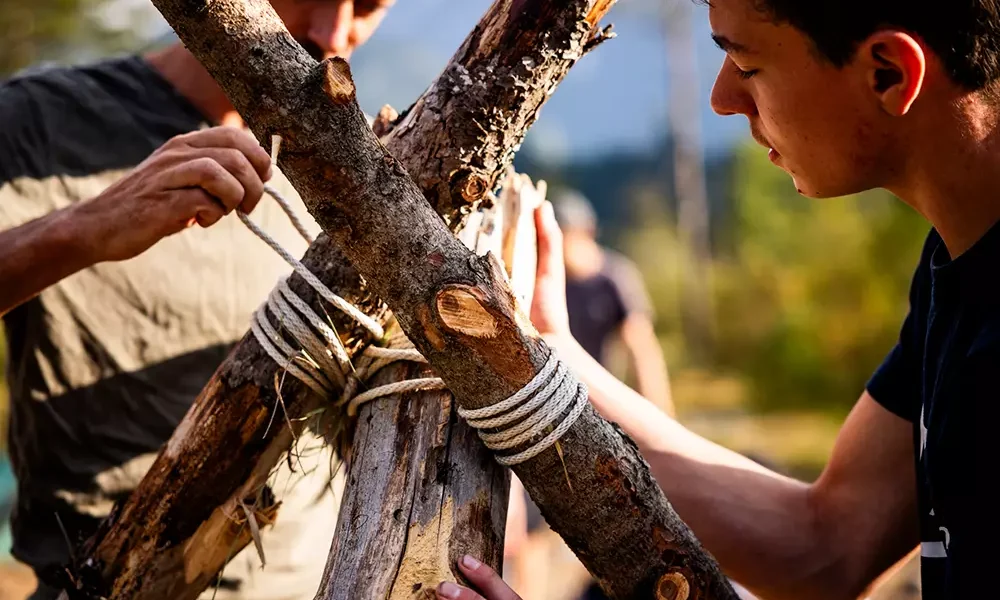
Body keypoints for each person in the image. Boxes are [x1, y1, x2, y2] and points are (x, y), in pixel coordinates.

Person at [439, 0, 1000, 598]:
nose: (722, 97)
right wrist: (550, 356)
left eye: (746, 62)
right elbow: (827, 544)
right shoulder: (957, 270)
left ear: (888, 72)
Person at [0, 1, 394, 598]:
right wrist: (82, 229)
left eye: (366, 5)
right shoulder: (36, 122)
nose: (331, 35)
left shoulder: (355, 165)